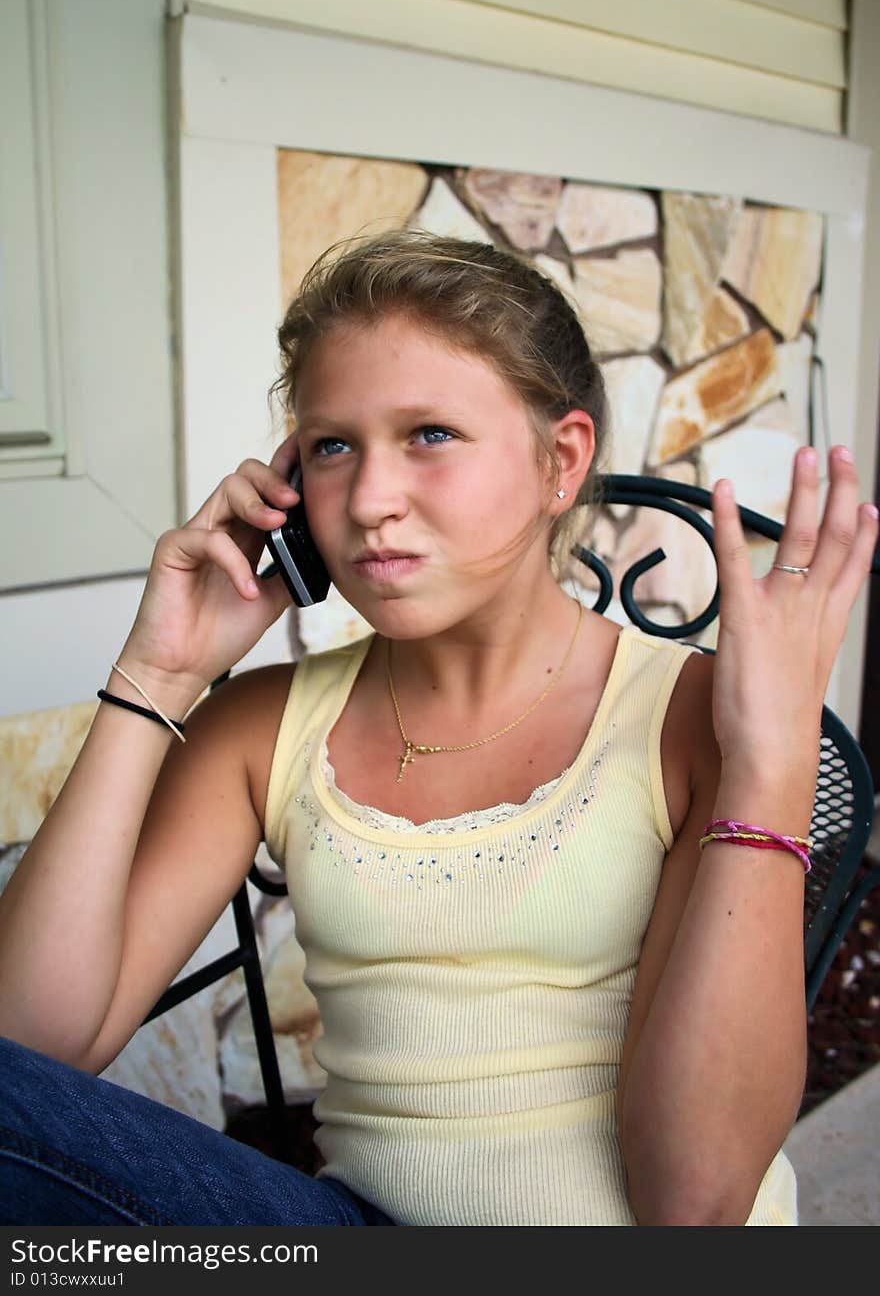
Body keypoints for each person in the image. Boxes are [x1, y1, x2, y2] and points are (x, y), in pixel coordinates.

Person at [0, 232, 876, 1227]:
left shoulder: (692, 718)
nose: (369, 501)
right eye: (333, 445)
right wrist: (157, 674)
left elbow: (696, 1203)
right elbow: (29, 1047)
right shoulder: (265, 726)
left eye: (429, 434)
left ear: (561, 460)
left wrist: (768, 763)